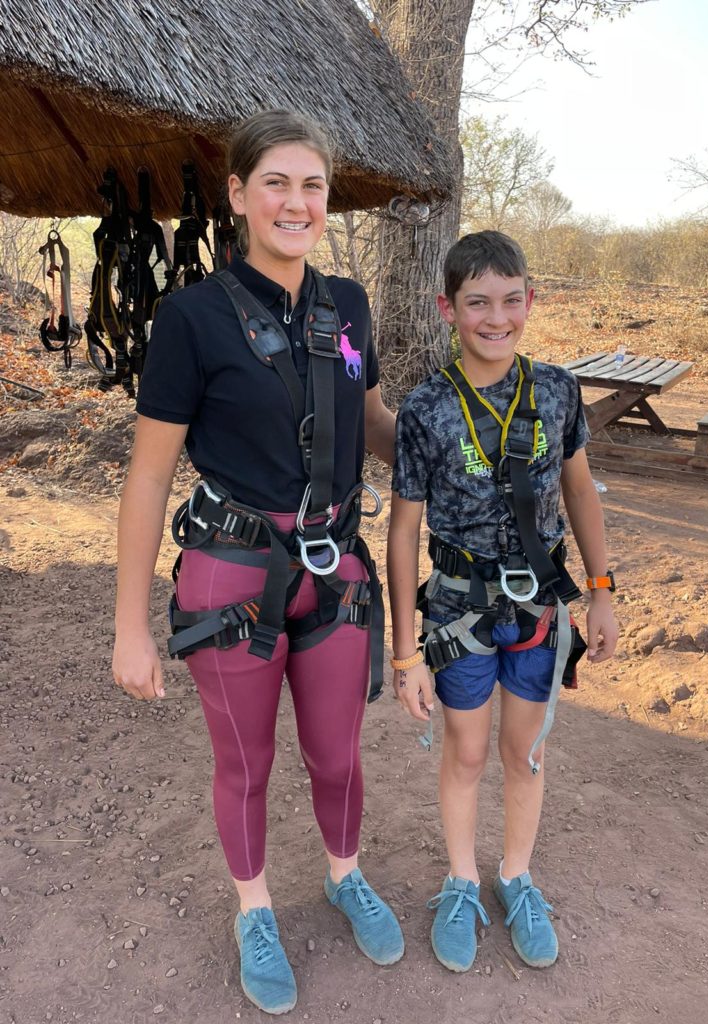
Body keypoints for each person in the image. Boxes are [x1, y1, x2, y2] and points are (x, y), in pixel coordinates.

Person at [112, 109, 403, 1015]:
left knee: (337, 755)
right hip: (231, 574)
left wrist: (466, 435)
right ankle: (254, 909)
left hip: (338, 574)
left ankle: (345, 875)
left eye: (311, 185)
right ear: (238, 194)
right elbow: (148, 478)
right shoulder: (191, 318)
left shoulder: (348, 304)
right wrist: (129, 628)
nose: (296, 201)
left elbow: (378, 423)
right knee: (246, 763)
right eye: (275, 182)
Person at [387, 230, 618, 974]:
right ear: (446, 308)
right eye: (477, 302)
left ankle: (516, 876)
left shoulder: (556, 389)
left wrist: (602, 592)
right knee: (468, 751)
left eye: (510, 300)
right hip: (457, 610)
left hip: (541, 607)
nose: (496, 317)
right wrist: (404, 653)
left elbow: (578, 489)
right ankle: (460, 881)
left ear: (530, 300)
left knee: (527, 752)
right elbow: (401, 533)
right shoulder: (425, 408)